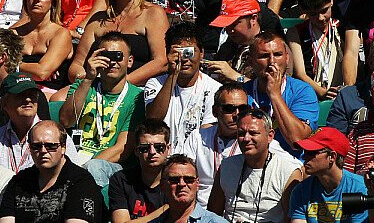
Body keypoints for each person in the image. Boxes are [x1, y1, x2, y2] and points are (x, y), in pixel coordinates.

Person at [59, 32, 144, 187]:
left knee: (94, 167)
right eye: (105, 56)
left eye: (118, 56)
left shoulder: (137, 97)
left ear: (130, 61)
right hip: (75, 157)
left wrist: (83, 169)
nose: (111, 62)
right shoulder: (82, 85)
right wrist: (89, 78)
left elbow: (122, 149)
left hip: (108, 166)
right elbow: (66, 121)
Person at [73, 0, 168, 86]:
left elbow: (161, 61)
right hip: (95, 86)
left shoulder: (153, 13)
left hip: (137, 86)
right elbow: (77, 64)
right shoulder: (97, 19)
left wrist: (121, 84)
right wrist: (86, 79)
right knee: (56, 99)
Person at [0, 120, 103, 223]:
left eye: (50, 146)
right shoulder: (18, 182)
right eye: (36, 146)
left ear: (63, 147)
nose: (43, 151)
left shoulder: (81, 182)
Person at [207, 109, 302, 223]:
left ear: (270, 136)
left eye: (253, 133)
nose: (246, 139)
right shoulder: (227, 166)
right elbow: (212, 215)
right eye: (241, 134)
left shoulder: (288, 171)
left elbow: (292, 219)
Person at [144, 21, 220, 149]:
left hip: (194, 162)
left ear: (201, 53)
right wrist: (173, 74)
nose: (184, 58)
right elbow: (153, 120)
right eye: (178, 52)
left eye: (189, 52)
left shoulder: (214, 88)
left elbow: (207, 137)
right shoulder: (155, 83)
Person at [0, 72, 77, 173]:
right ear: (4, 103)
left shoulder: (57, 135)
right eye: (20, 95)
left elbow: (75, 176)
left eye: (32, 95)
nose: (28, 99)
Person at [178, 83, 249, 207]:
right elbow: (182, 172)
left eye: (243, 109)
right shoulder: (197, 137)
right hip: (199, 209)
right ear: (215, 111)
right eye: (229, 109)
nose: (236, 114)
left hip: (237, 209)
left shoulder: (253, 141)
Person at [289, 127, 368, 223]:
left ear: (332, 157)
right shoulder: (301, 190)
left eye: (311, 152)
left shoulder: (358, 188)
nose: (304, 156)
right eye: (304, 151)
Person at [10, 0, 72, 93]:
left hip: (48, 95)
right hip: (15, 93)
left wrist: (13, 66)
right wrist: (32, 69)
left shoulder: (60, 34)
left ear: (53, 1)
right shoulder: (14, 33)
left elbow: (42, 73)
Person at [107, 120, 170, 223]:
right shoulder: (121, 180)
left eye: (159, 147)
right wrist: (164, 209)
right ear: (136, 151)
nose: (152, 152)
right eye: (144, 148)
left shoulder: (178, 180)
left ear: (168, 148)